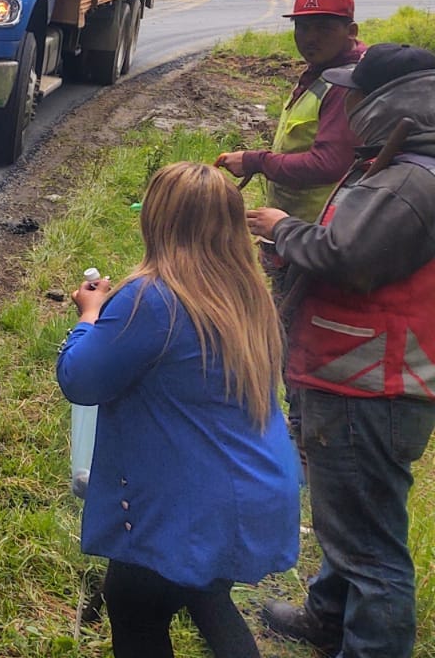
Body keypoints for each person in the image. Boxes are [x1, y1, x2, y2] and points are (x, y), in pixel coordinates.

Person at [58, 161, 300, 658]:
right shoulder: (248, 294)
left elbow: (82, 379)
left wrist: (89, 317)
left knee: (134, 605)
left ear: (155, 219)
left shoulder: (152, 299)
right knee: (207, 594)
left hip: (188, 506)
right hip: (252, 490)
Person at [247, 42, 435, 658]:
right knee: (351, 513)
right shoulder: (400, 163)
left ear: (388, 102)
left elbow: (348, 258)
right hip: (355, 376)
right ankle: (328, 615)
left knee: (371, 549)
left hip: (367, 387)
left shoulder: (410, 180)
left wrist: (283, 229)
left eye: (355, 92)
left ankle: (369, 642)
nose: (345, 101)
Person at [216, 0, 364, 226]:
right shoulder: (321, 71)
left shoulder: (348, 85)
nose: (310, 38)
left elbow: (329, 164)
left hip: (320, 233)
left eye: (323, 28)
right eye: (302, 27)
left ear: (351, 31)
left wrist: (257, 161)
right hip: (293, 227)